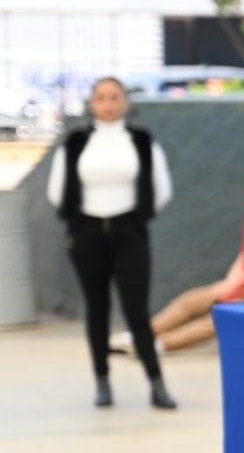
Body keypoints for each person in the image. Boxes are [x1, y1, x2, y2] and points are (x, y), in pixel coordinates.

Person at [45, 76, 177, 410]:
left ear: (125, 101)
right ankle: (102, 380)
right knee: (97, 308)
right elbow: (56, 190)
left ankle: (156, 382)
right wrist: (78, 222)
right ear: (92, 103)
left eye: (115, 97)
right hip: (88, 232)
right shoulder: (76, 142)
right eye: (101, 97)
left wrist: (135, 218)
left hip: (129, 231)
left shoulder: (141, 140)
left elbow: (161, 189)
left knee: (136, 310)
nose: (108, 104)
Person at [121, 147, 244, 352]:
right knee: (190, 301)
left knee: (224, 315)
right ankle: (140, 334)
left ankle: (159, 345)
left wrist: (239, 284)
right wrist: (230, 284)